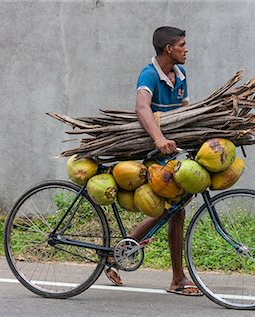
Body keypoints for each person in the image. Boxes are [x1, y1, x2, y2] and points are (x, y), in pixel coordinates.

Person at [105, 26, 202, 296]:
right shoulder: (149, 74)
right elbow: (142, 107)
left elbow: (185, 114)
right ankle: (177, 279)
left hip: (171, 155)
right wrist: (159, 139)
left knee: (173, 210)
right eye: (182, 44)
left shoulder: (180, 75)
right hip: (152, 155)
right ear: (168, 48)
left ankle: (118, 254)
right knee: (173, 210)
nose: (186, 49)